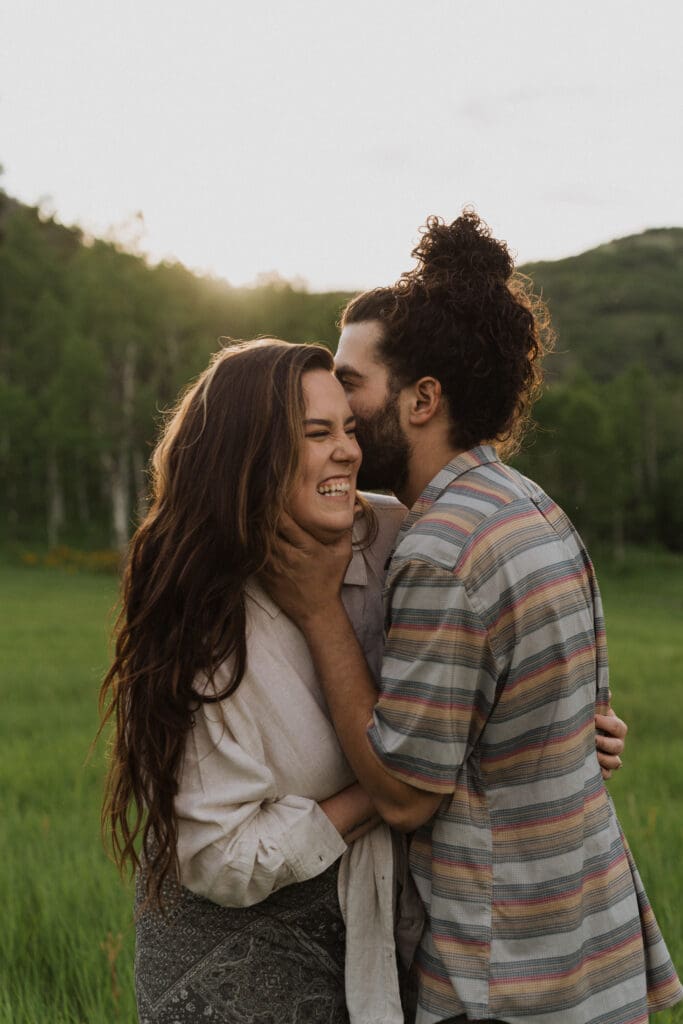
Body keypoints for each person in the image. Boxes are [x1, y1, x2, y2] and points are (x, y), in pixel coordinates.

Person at [263, 211, 682, 1024]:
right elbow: (565, 717)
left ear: (421, 399)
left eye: (351, 383)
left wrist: (317, 611)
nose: (335, 406)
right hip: (590, 948)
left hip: (510, 972)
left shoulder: (438, 553)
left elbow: (406, 796)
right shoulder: (530, 506)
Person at [99, 339, 416, 1024]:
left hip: (360, 944)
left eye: (349, 429)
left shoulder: (395, 536)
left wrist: (554, 727)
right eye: (315, 434)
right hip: (226, 967)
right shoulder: (201, 615)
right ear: (251, 453)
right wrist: (387, 787)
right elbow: (221, 858)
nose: (347, 453)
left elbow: (483, 646)